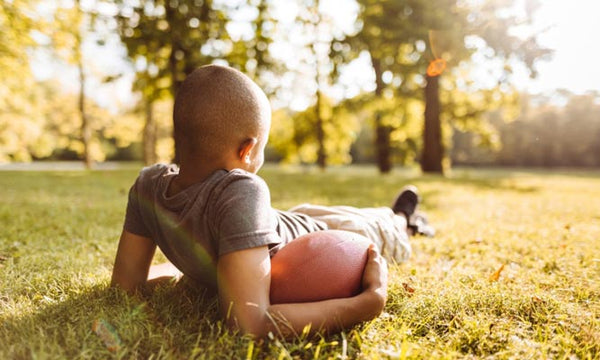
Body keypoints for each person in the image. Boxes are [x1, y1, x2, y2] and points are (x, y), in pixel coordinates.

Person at [110, 64, 434, 339]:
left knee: (350, 216)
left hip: (295, 225)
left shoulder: (147, 185)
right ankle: (399, 219)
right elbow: (249, 325)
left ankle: (402, 217)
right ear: (247, 149)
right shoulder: (242, 189)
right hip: (316, 239)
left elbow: (126, 285)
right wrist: (366, 305)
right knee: (377, 228)